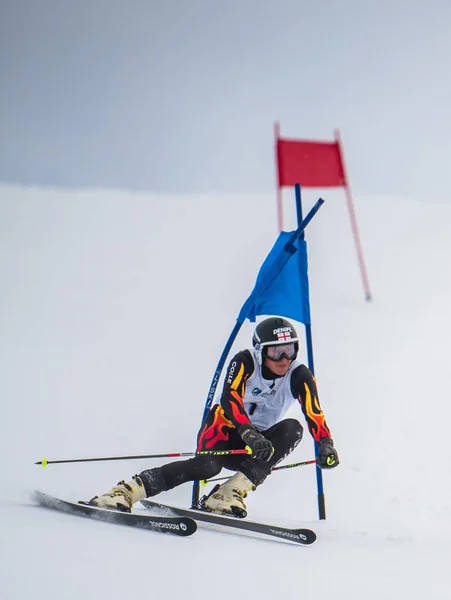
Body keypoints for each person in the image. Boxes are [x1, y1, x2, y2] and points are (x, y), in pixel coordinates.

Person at [89, 316, 339, 517]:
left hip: (258, 444)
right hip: (225, 429)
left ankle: (228, 493)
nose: (284, 359)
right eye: (276, 353)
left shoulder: (299, 375)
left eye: (290, 350)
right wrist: (247, 431)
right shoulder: (244, 361)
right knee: (206, 466)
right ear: (261, 351)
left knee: (293, 429)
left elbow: (314, 412)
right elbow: (230, 397)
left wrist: (326, 444)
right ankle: (126, 491)